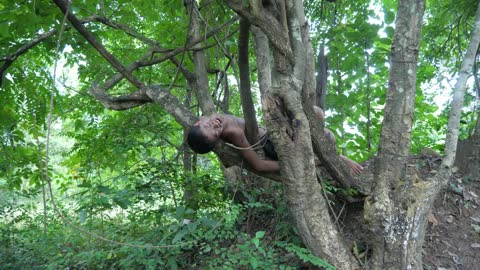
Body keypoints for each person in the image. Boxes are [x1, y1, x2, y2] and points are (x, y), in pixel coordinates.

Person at [187, 106, 363, 175]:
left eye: (208, 126)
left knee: (316, 113)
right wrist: (298, 163)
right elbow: (259, 166)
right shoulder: (233, 134)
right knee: (328, 137)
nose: (215, 127)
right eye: (216, 134)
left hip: (272, 129)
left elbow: (204, 123)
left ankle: (330, 156)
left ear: (198, 121)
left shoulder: (206, 117)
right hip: (271, 143)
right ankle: (334, 158)